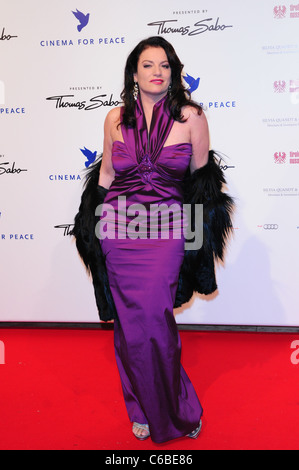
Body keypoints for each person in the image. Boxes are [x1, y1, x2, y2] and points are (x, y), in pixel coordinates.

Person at [71, 36, 234, 443]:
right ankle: (140, 406)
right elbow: (106, 177)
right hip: (118, 230)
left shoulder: (191, 117)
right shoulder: (114, 119)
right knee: (128, 327)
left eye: (164, 64)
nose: (157, 71)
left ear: (174, 71)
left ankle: (177, 410)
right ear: (134, 73)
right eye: (148, 64)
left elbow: (201, 182)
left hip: (165, 230)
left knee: (154, 325)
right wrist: (92, 229)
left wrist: (197, 244)